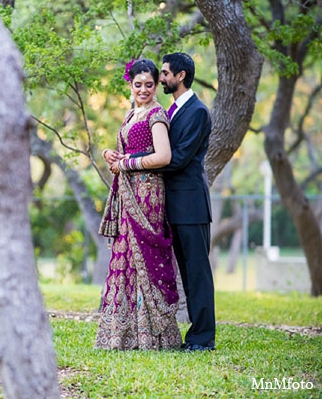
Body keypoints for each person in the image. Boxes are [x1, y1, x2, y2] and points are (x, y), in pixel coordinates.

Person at [95, 58, 182, 351]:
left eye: (149, 84)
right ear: (130, 85)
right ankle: (124, 333)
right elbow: (127, 152)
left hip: (147, 194)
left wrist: (127, 164)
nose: (143, 89)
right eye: (138, 85)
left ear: (157, 85)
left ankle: (154, 335)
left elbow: (163, 156)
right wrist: (112, 154)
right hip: (128, 191)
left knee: (144, 256)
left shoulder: (156, 115)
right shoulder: (133, 112)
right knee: (127, 257)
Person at [156, 52, 216, 351]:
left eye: (165, 73)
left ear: (180, 76)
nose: (161, 77)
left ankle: (203, 338)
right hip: (175, 207)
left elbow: (178, 159)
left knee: (197, 274)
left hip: (191, 207)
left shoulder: (198, 111)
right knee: (188, 274)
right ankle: (196, 335)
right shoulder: (173, 110)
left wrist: (137, 162)